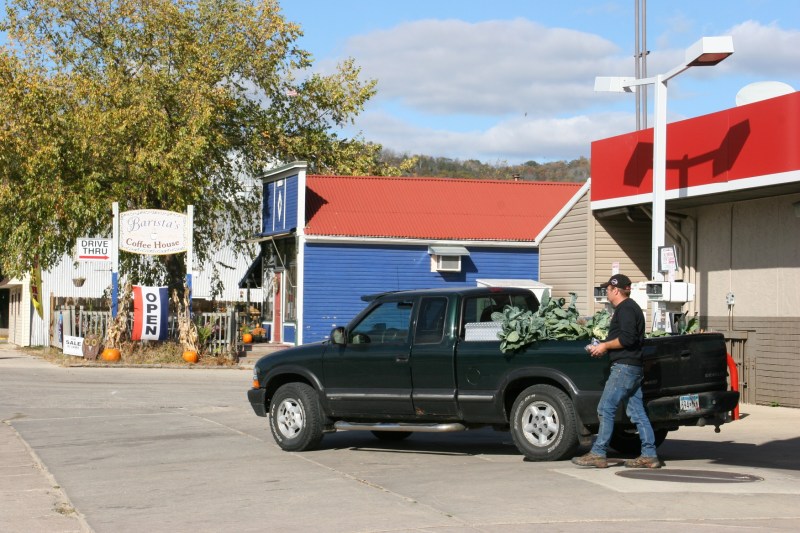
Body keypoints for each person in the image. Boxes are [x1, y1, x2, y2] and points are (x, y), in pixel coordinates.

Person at [572, 273, 661, 469]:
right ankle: (649, 454)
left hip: (625, 367)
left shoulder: (626, 309)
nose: (606, 293)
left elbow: (628, 339)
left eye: (608, 289)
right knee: (637, 411)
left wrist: (605, 346)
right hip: (633, 367)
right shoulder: (630, 308)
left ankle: (598, 452)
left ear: (615, 290)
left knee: (605, 408)